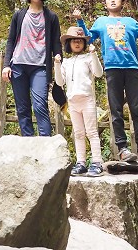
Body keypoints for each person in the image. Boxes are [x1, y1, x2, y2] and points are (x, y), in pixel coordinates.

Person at [74, 0, 138, 163]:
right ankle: (123, 149)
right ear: (105, 3)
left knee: (137, 110)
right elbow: (88, 38)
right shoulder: (101, 22)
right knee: (116, 110)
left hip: (131, 68)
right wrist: (80, 21)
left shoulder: (130, 22)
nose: (112, 0)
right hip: (112, 69)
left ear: (122, 2)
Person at [2, 0, 62, 136]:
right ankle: (28, 141)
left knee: (40, 105)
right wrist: (6, 65)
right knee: (22, 107)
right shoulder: (19, 15)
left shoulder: (51, 17)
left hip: (40, 66)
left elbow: (56, 41)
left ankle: (46, 143)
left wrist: (58, 58)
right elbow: (11, 41)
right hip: (18, 65)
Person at [54, 25, 104, 176]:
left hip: (87, 99)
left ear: (84, 43)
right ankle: (81, 162)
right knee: (78, 133)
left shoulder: (88, 58)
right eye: (73, 41)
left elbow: (98, 73)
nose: (77, 43)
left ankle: (97, 162)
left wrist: (94, 54)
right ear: (68, 44)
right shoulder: (66, 62)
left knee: (92, 132)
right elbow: (60, 82)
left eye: (80, 41)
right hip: (73, 102)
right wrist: (56, 64)